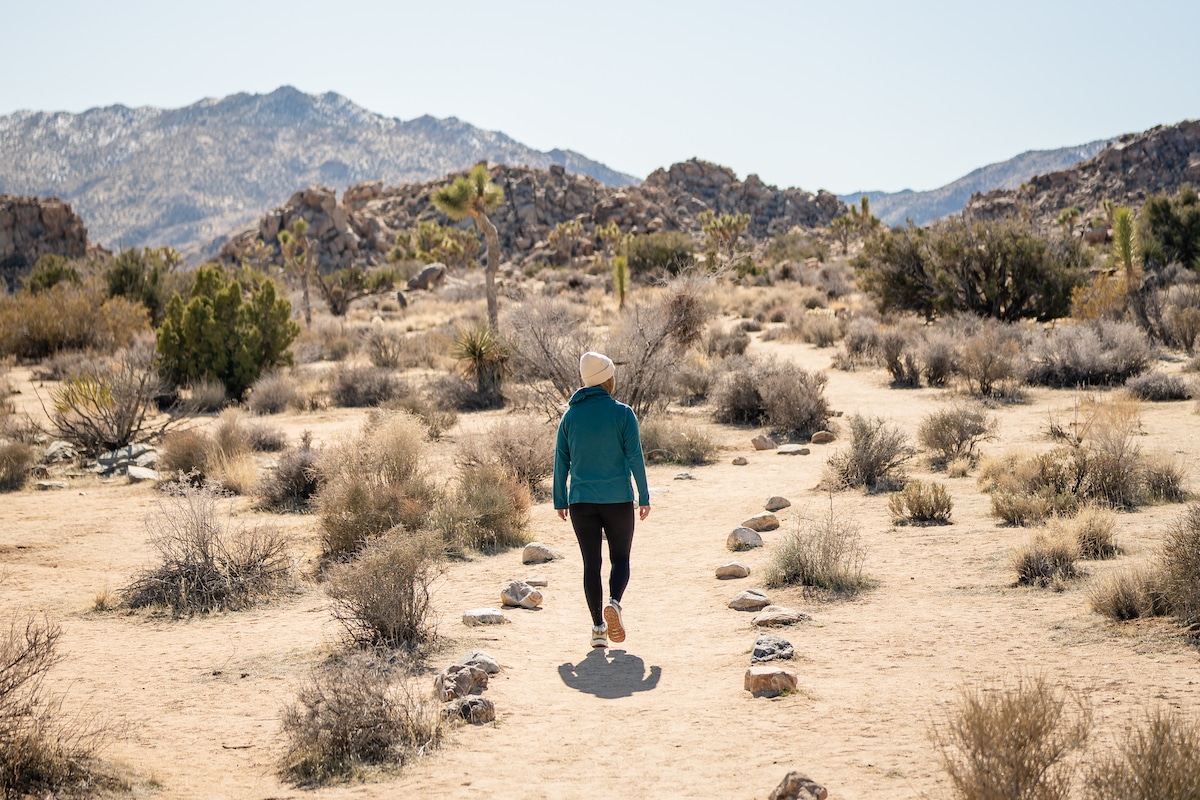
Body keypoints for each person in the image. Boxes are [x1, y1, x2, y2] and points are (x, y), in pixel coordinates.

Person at [553, 351, 651, 649]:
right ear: (608, 379)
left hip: (581, 503)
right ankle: (614, 604)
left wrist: (560, 500)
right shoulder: (623, 413)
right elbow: (635, 456)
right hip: (618, 501)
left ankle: (598, 628)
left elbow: (561, 460)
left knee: (590, 564)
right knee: (620, 559)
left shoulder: (570, 416)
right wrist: (643, 495)